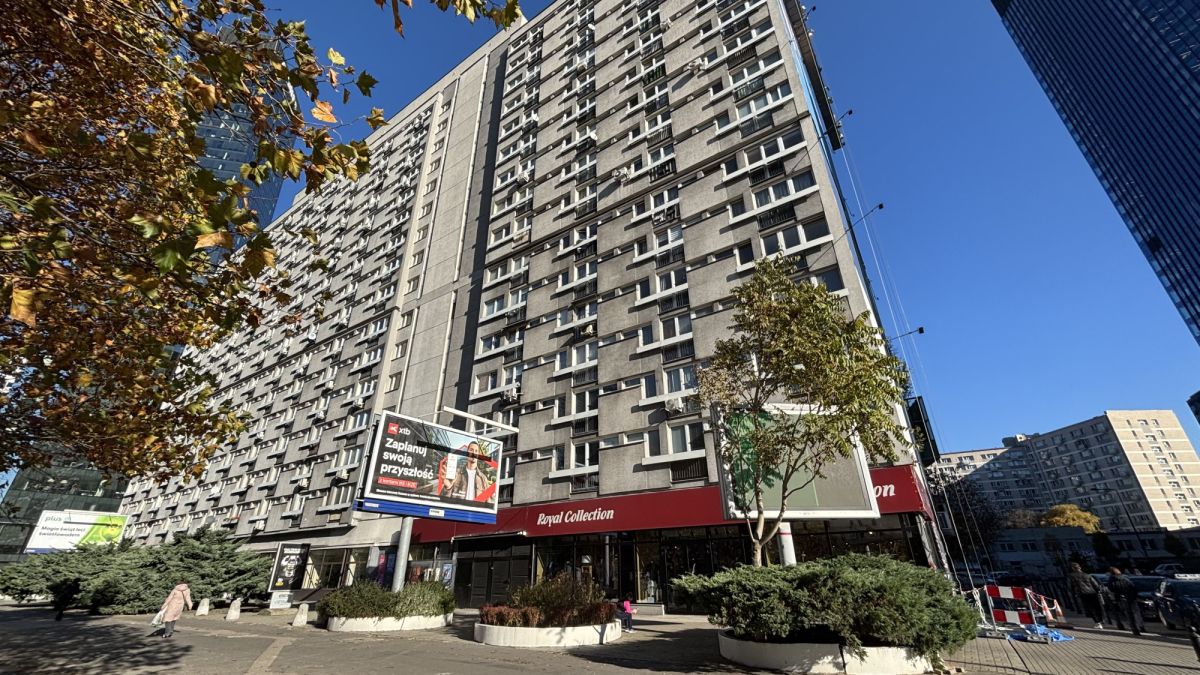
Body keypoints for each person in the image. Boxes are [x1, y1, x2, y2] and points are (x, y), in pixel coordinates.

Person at [1106, 567, 1143, 636]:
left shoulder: (1111, 581)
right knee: (1136, 612)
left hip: (1122, 599)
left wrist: (1115, 599)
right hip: (1131, 598)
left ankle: (1134, 629)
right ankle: (1140, 626)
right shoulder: (1125, 578)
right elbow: (1133, 587)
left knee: (1128, 614)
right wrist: (1135, 596)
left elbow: (1111, 590)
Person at [1067, 562, 1106, 628]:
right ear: (1080, 568)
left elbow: (1070, 587)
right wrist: (1098, 591)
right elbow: (1095, 585)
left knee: (1090, 608)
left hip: (1083, 594)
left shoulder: (1071, 576)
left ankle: (1097, 622)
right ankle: (1102, 620)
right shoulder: (1087, 575)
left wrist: (1074, 594)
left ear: (1073, 568)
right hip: (1093, 593)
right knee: (1097, 607)